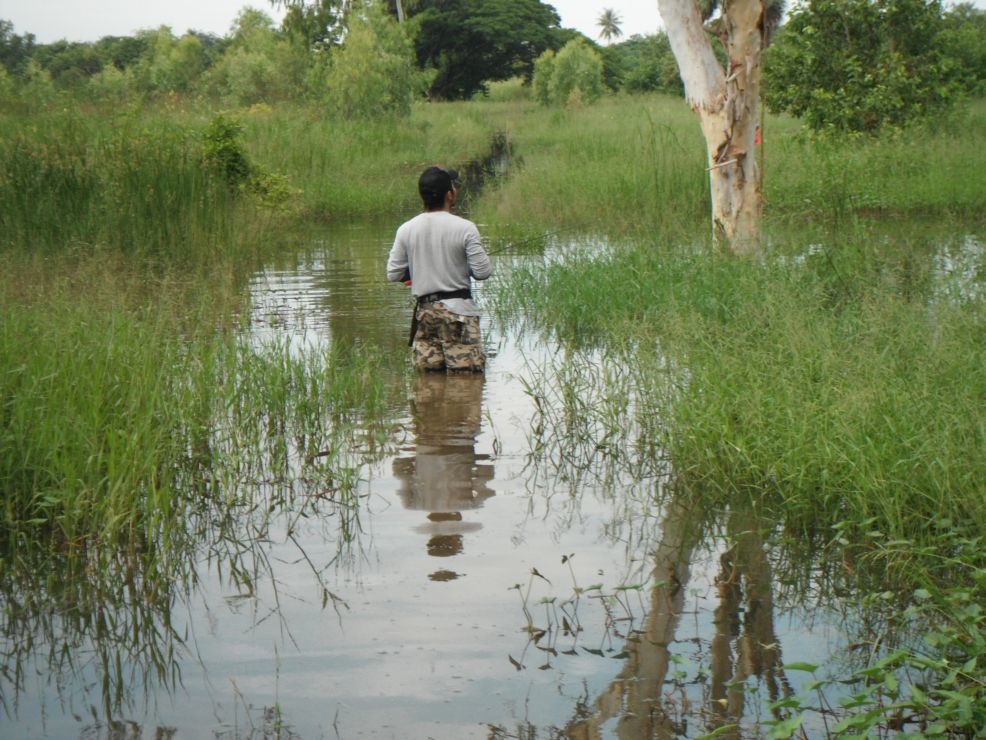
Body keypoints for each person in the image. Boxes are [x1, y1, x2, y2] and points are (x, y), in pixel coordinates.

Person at [387, 165, 492, 372]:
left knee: (429, 385)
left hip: (425, 316)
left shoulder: (406, 229)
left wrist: (415, 274)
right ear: (450, 194)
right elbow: (483, 272)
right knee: (467, 383)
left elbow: (394, 274)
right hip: (459, 315)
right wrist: (465, 267)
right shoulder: (465, 228)